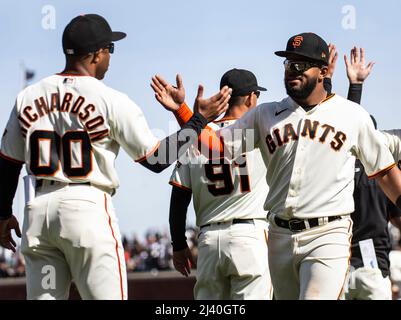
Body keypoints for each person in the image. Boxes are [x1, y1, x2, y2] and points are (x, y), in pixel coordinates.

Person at [153, 32, 401, 299]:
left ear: (323, 71)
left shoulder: (352, 114)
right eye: (288, 63)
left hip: (328, 233)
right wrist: (184, 113)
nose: (292, 70)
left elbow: (386, 172)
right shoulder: (265, 113)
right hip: (279, 235)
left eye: (301, 64)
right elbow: (216, 149)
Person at [0, 14, 231, 300]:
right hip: (86, 209)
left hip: (38, 213)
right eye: (110, 48)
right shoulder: (110, 99)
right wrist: (197, 122)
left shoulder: (28, 96)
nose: (111, 55)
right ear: (96, 54)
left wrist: (2, 213)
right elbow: (157, 160)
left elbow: (9, 162)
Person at [168, 69, 273, 299]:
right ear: (250, 98)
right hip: (249, 236)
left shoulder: (197, 136)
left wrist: (178, 244)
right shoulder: (261, 132)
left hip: (208, 239)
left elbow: (179, 198)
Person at [325, 45, 401, 300]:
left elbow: (343, 126)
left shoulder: (340, 168)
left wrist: (353, 86)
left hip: (339, 264)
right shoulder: (386, 172)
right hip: (373, 266)